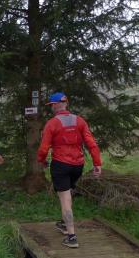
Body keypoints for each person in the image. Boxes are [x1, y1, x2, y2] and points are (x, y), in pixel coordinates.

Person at [36, 92, 102, 248]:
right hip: (77, 165)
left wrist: (42, 161)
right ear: (65, 104)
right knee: (67, 193)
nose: (51, 107)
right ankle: (64, 223)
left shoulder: (52, 123)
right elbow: (91, 144)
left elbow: (44, 147)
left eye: (51, 105)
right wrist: (97, 163)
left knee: (65, 198)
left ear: (55, 105)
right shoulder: (80, 121)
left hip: (61, 164)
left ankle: (71, 236)